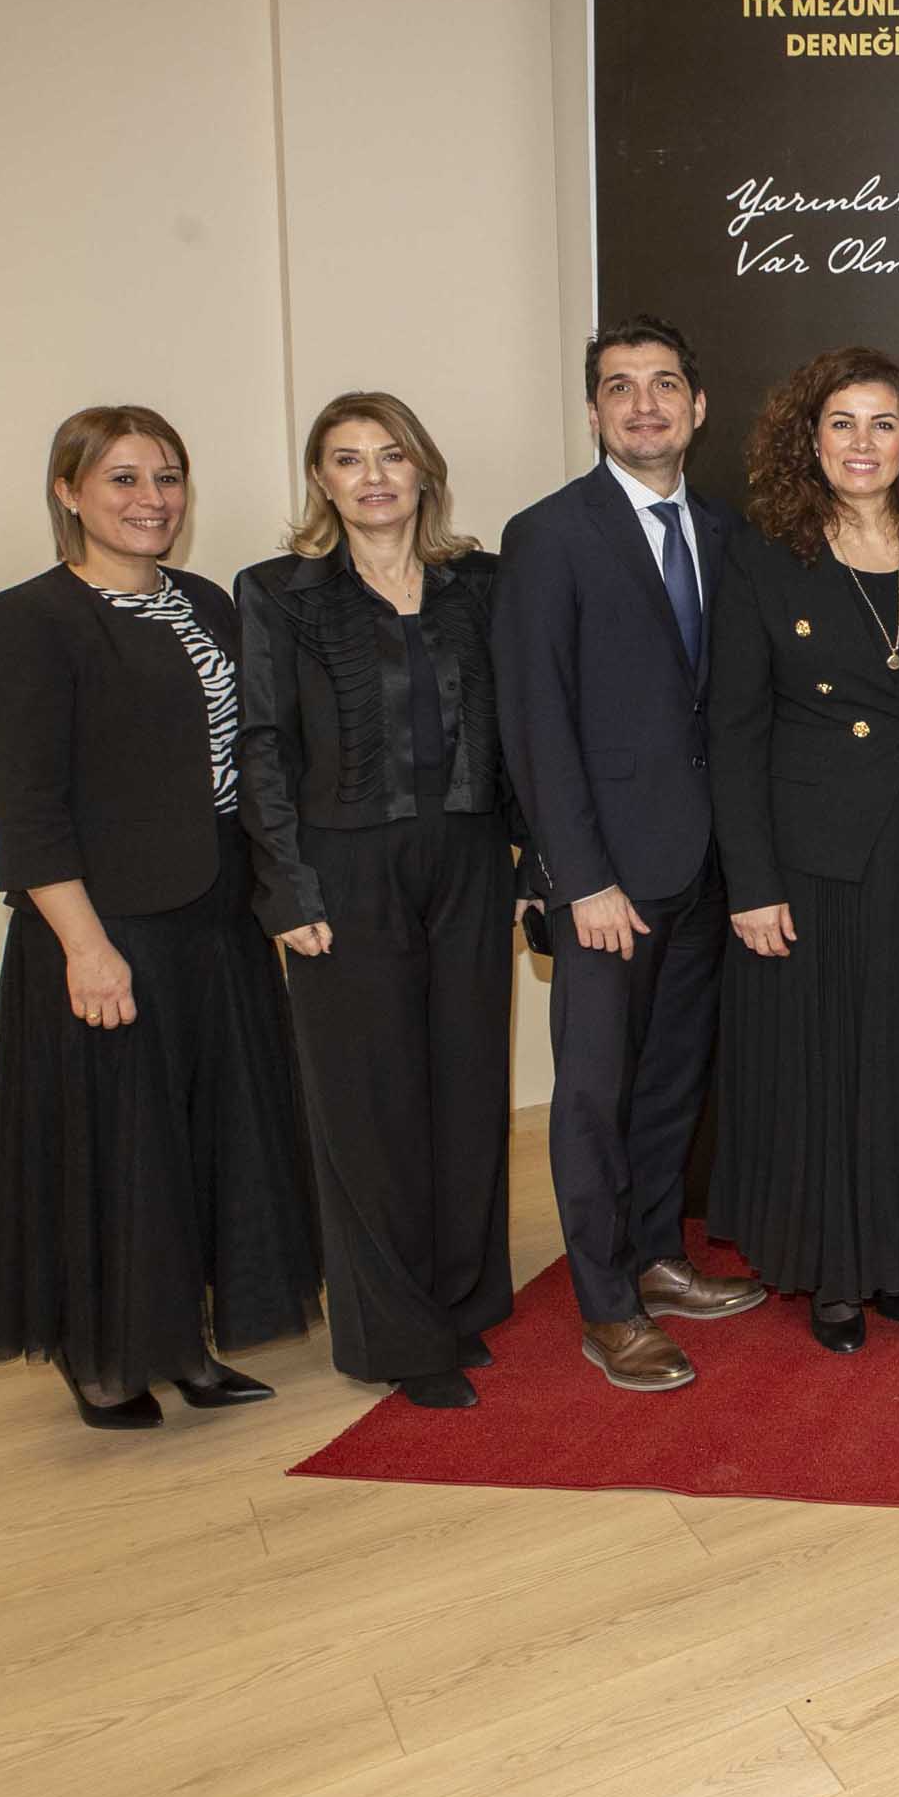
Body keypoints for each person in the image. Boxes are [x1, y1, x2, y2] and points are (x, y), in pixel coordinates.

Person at [0, 407, 320, 1428]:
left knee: (203, 1139)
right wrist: (85, 946)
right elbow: (27, 807)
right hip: (110, 927)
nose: (151, 498)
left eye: (167, 476)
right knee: (118, 1149)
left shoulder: (204, 601)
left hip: (217, 917)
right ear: (67, 492)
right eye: (122, 478)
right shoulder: (29, 620)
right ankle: (107, 1358)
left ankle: (184, 1342)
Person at [707, 347, 899, 1351]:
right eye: (842, 422)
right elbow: (733, 729)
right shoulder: (762, 555)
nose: (862, 443)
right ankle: (834, 1270)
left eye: (882, 423)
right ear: (812, 437)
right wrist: (749, 880)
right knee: (824, 1069)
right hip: (809, 858)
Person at [238, 393, 525, 1410]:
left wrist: (530, 866)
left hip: (471, 858)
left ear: (422, 470)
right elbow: (261, 745)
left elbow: (524, 724)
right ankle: (397, 1331)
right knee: (370, 1104)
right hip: (343, 870)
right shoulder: (279, 594)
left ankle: (460, 1296)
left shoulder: (480, 584)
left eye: (391, 454)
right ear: (321, 479)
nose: (372, 475)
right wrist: (286, 886)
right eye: (348, 458)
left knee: (466, 1086)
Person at [496, 318, 766, 1395]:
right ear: (594, 411)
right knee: (593, 1095)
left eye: (663, 385)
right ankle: (606, 1304)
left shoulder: (727, 529)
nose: (643, 404)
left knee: (667, 1084)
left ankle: (655, 1256)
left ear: (697, 407)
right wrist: (581, 878)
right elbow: (536, 721)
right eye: (620, 387)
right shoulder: (549, 534)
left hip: (702, 868)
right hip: (605, 876)